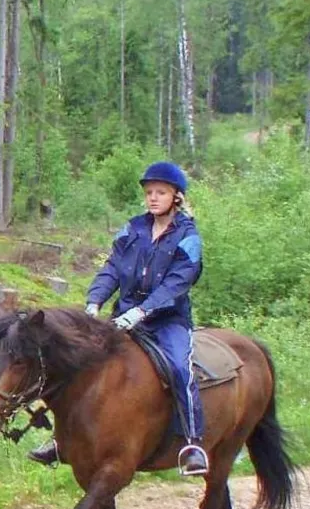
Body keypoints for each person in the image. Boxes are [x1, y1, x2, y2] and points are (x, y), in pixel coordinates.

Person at [28, 160, 207, 476]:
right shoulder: (133, 228)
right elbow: (112, 267)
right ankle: (61, 438)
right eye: (149, 192)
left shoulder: (187, 236)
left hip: (166, 321)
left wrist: (143, 310)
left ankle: (193, 442)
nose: (153, 198)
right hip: (123, 316)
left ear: (176, 196)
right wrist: (94, 301)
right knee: (75, 362)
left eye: (161, 192)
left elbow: (178, 282)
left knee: (181, 368)